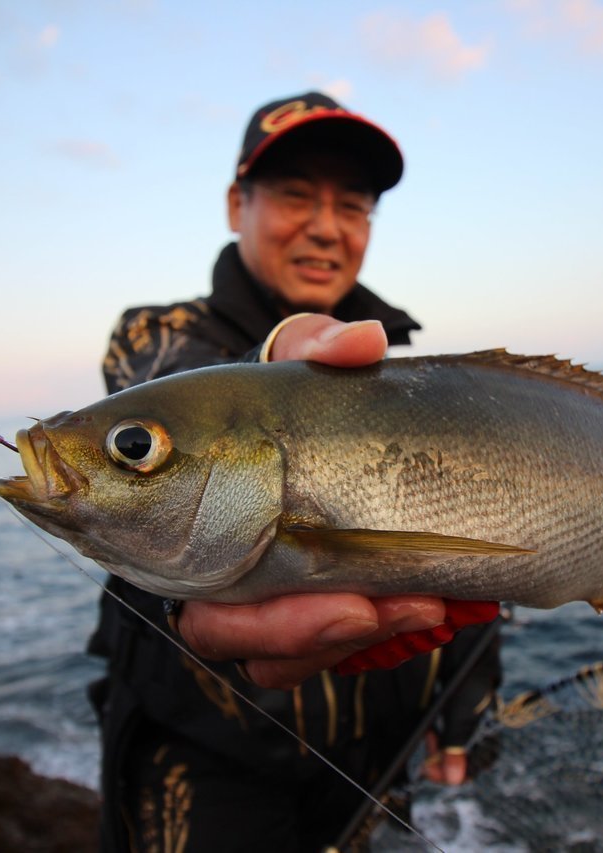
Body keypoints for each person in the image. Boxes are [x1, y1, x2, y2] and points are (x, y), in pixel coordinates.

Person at [87, 92, 502, 853]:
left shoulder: (401, 378)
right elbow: (173, 395)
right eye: (294, 194)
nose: (324, 225)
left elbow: (469, 562)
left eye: (352, 204)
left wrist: (460, 719)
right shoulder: (156, 337)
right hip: (203, 765)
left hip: (376, 764)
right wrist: (276, 358)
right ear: (235, 204)